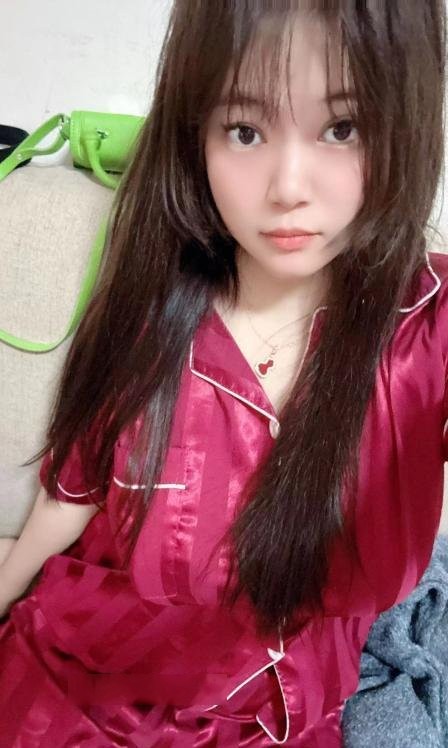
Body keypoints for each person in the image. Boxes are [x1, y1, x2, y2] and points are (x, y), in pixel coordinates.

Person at [0, 1, 447, 745]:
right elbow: (75, 485)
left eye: (343, 127)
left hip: (280, 714)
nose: (288, 186)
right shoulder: (154, 312)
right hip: (93, 677)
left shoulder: (426, 327)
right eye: (245, 130)